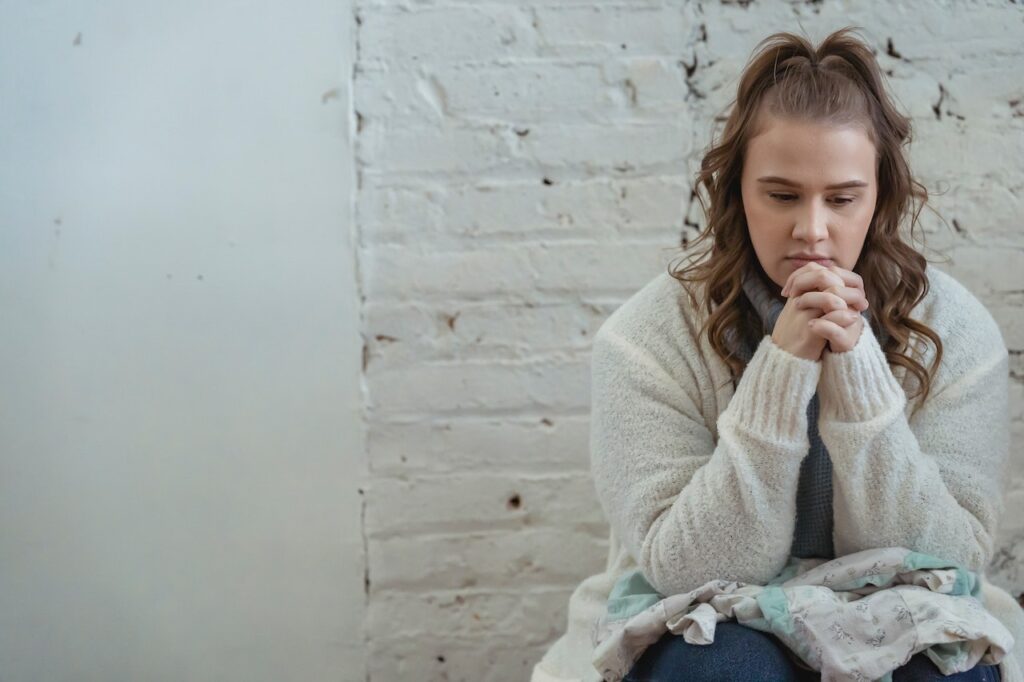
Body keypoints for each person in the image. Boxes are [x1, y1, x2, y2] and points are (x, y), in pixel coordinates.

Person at [529, 26, 1024, 682]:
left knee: (940, 671)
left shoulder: (956, 330)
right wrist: (782, 369)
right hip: (706, 610)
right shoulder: (646, 336)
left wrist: (861, 377)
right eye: (783, 196)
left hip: (899, 606)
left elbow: (951, 563)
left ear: (880, 197)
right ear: (738, 190)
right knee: (721, 664)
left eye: (842, 198)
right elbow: (685, 567)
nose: (812, 231)